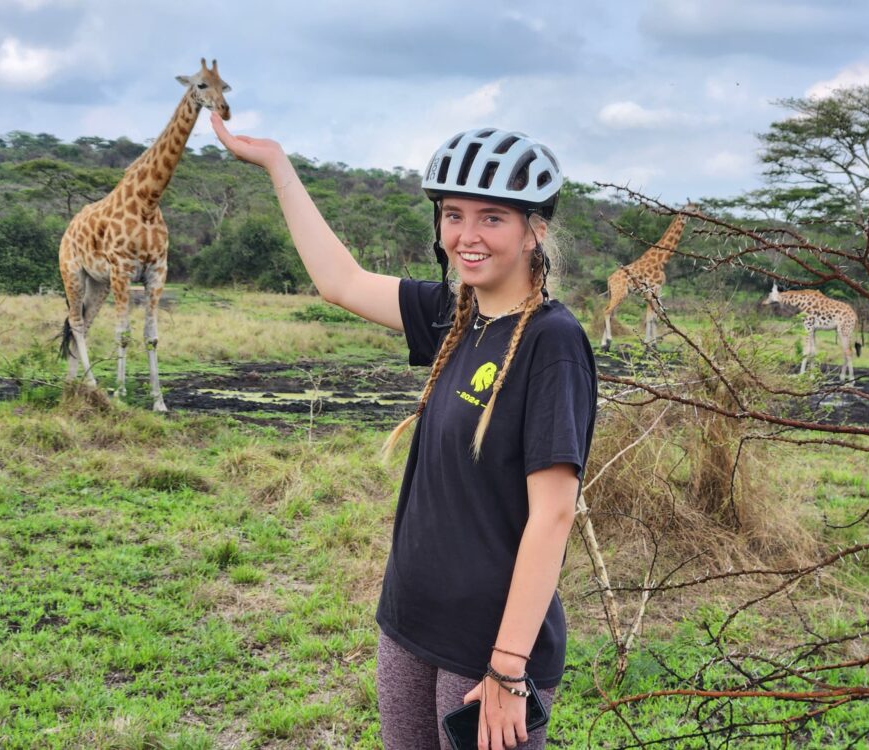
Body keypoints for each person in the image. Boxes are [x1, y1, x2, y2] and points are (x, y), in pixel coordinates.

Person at [211, 116, 597, 750]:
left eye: (491, 218)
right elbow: (341, 281)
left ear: (535, 231)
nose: (466, 237)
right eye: (452, 214)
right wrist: (279, 165)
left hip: (488, 645)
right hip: (410, 620)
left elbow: (553, 517)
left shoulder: (552, 342)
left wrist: (507, 667)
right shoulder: (456, 312)